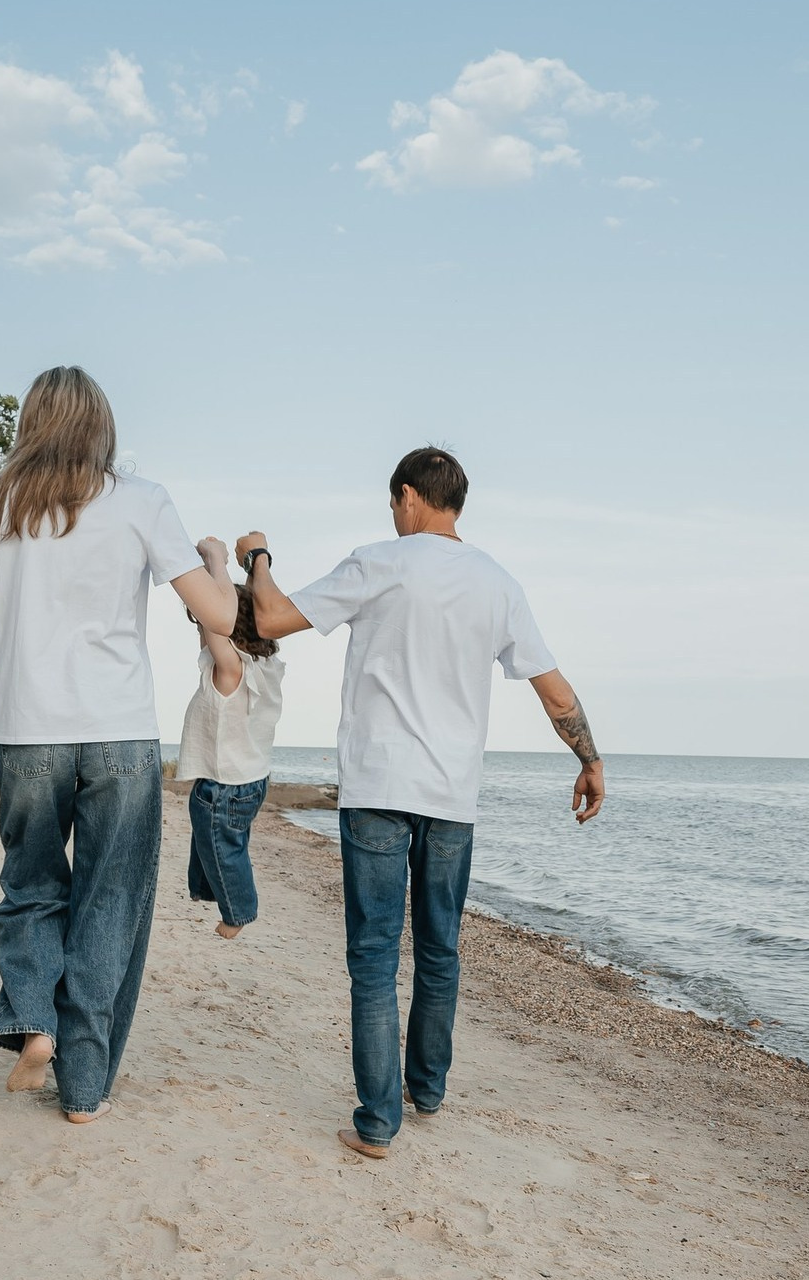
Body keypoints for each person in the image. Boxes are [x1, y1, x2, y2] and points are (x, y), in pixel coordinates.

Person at [0, 365, 237, 1124]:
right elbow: (220, 616)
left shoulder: (5, 503)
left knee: (32, 888)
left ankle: (35, 1020)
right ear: (101, 424)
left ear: (32, 424)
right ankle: (83, 1092)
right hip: (118, 738)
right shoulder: (143, 501)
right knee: (110, 903)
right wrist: (219, 567)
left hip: (27, 735)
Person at [236, 446, 604, 1158]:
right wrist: (588, 759)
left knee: (374, 957)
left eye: (393, 503)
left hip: (377, 786)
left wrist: (257, 556)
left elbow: (271, 620)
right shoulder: (498, 583)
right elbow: (553, 689)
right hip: (452, 796)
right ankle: (426, 1089)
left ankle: (378, 1124)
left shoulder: (379, 560)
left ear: (408, 497)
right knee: (439, 950)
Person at [174, 582, 285, 938]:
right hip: (251, 778)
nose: (203, 631)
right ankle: (209, 889)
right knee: (216, 840)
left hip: (226, 785)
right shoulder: (262, 666)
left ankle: (238, 912)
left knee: (222, 844)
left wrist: (214, 564)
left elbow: (214, 621)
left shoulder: (231, 669)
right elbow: (212, 632)